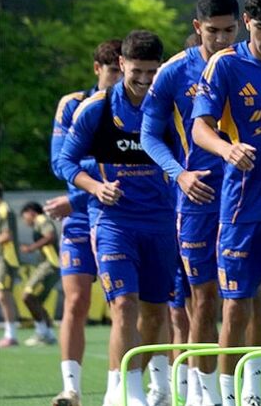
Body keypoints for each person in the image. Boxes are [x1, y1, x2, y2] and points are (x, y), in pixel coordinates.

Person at [191, 0, 261, 406]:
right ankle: (226, 397)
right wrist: (226, 148)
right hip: (243, 204)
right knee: (235, 304)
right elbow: (201, 127)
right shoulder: (225, 65)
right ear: (248, 24)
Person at [59, 30, 177, 406]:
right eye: (136, 71)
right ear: (121, 64)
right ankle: (121, 392)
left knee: (156, 311)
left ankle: (148, 386)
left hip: (160, 222)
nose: (144, 80)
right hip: (114, 222)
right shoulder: (96, 109)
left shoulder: (170, 107)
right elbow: (64, 160)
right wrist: (95, 187)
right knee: (124, 303)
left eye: (152, 73)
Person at [142, 0, 240, 406]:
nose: (221, 38)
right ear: (197, 28)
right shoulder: (174, 72)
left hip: (247, 195)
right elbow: (148, 135)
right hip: (197, 196)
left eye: (229, 30)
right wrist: (178, 174)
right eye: (213, 30)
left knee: (244, 297)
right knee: (203, 297)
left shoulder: (254, 61)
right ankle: (202, 394)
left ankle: (242, 391)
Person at [45, 38, 123, 404]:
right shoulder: (74, 104)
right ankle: (72, 387)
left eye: (123, 71)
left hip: (119, 213)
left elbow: (134, 165)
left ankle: (124, 387)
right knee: (75, 302)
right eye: (112, 72)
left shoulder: (137, 106)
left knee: (124, 303)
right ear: (98, 69)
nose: (119, 79)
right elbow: (61, 160)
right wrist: (82, 195)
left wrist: (76, 194)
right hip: (80, 217)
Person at [18, 201, 60, 346]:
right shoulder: (38, 223)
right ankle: (48, 334)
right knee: (35, 300)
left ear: (31, 212)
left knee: (27, 296)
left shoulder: (41, 219)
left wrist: (31, 248)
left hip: (50, 264)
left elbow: (50, 236)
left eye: (25, 217)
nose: (25, 221)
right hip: (52, 265)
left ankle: (42, 332)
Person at [0, 183, 19, 350]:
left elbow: (7, 236)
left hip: (7, 259)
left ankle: (10, 335)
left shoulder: (5, 210)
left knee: (3, 295)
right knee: (2, 295)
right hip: (1, 258)